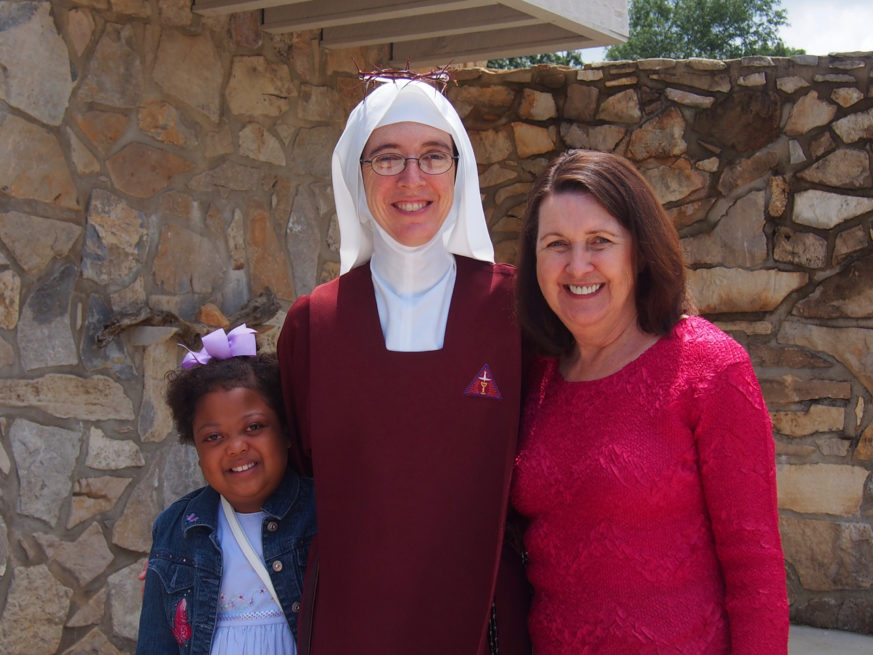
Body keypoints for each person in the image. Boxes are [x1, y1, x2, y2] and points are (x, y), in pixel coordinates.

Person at [277, 76, 528, 655]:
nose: (411, 179)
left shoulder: (517, 314)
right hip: (352, 624)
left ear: (458, 172)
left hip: (486, 626)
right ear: (355, 175)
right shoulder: (312, 324)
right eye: (386, 158)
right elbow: (292, 477)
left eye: (433, 156)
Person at [512, 150, 789, 654]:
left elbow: (757, 570)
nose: (578, 265)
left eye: (600, 241)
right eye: (557, 245)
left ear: (638, 251)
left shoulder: (710, 368)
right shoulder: (535, 375)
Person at [137, 325, 316, 655]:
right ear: (197, 450)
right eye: (214, 437)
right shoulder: (175, 530)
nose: (236, 447)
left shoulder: (322, 514)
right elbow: (156, 643)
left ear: (287, 431)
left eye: (253, 427)